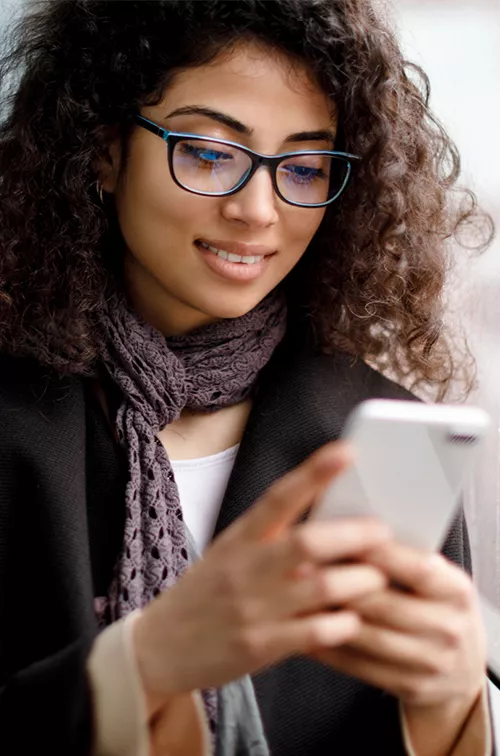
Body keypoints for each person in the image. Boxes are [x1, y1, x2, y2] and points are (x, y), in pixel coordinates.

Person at [0, 1, 494, 754]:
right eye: (206, 152)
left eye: (302, 167)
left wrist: (454, 707)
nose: (258, 210)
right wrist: (142, 664)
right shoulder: (14, 420)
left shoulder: (380, 432)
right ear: (103, 150)